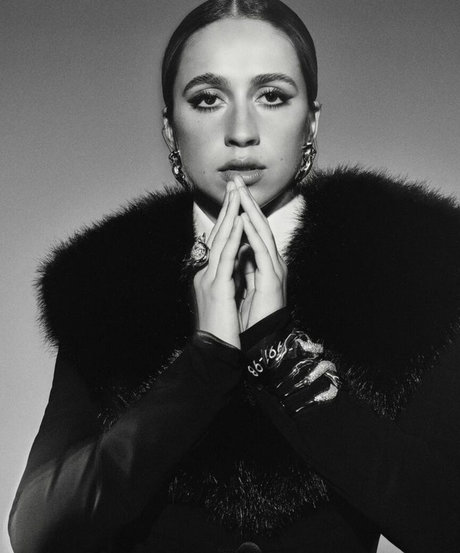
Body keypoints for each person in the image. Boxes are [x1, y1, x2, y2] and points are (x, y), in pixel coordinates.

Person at [8, 0, 460, 552]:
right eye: (207, 99)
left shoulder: (410, 265)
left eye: (272, 96)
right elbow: (38, 533)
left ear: (311, 122)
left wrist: (280, 354)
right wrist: (202, 365)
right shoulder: (107, 283)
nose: (241, 131)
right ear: (170, 129)